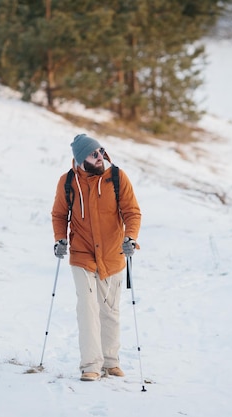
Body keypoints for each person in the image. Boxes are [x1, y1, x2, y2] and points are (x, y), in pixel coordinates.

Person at [51, 133, 142, 382]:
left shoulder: (117, 177)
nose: (100, 156)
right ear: (82, 159)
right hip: (82, 254)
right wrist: (60, 239)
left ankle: (110, 361)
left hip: (113, 253)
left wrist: (131, 237)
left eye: (101, 151)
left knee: (110, 310)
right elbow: (59, 214)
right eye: (94, 154)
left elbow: (132, 212)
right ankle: (91, 365)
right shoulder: (68, 182)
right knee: (87, 308)